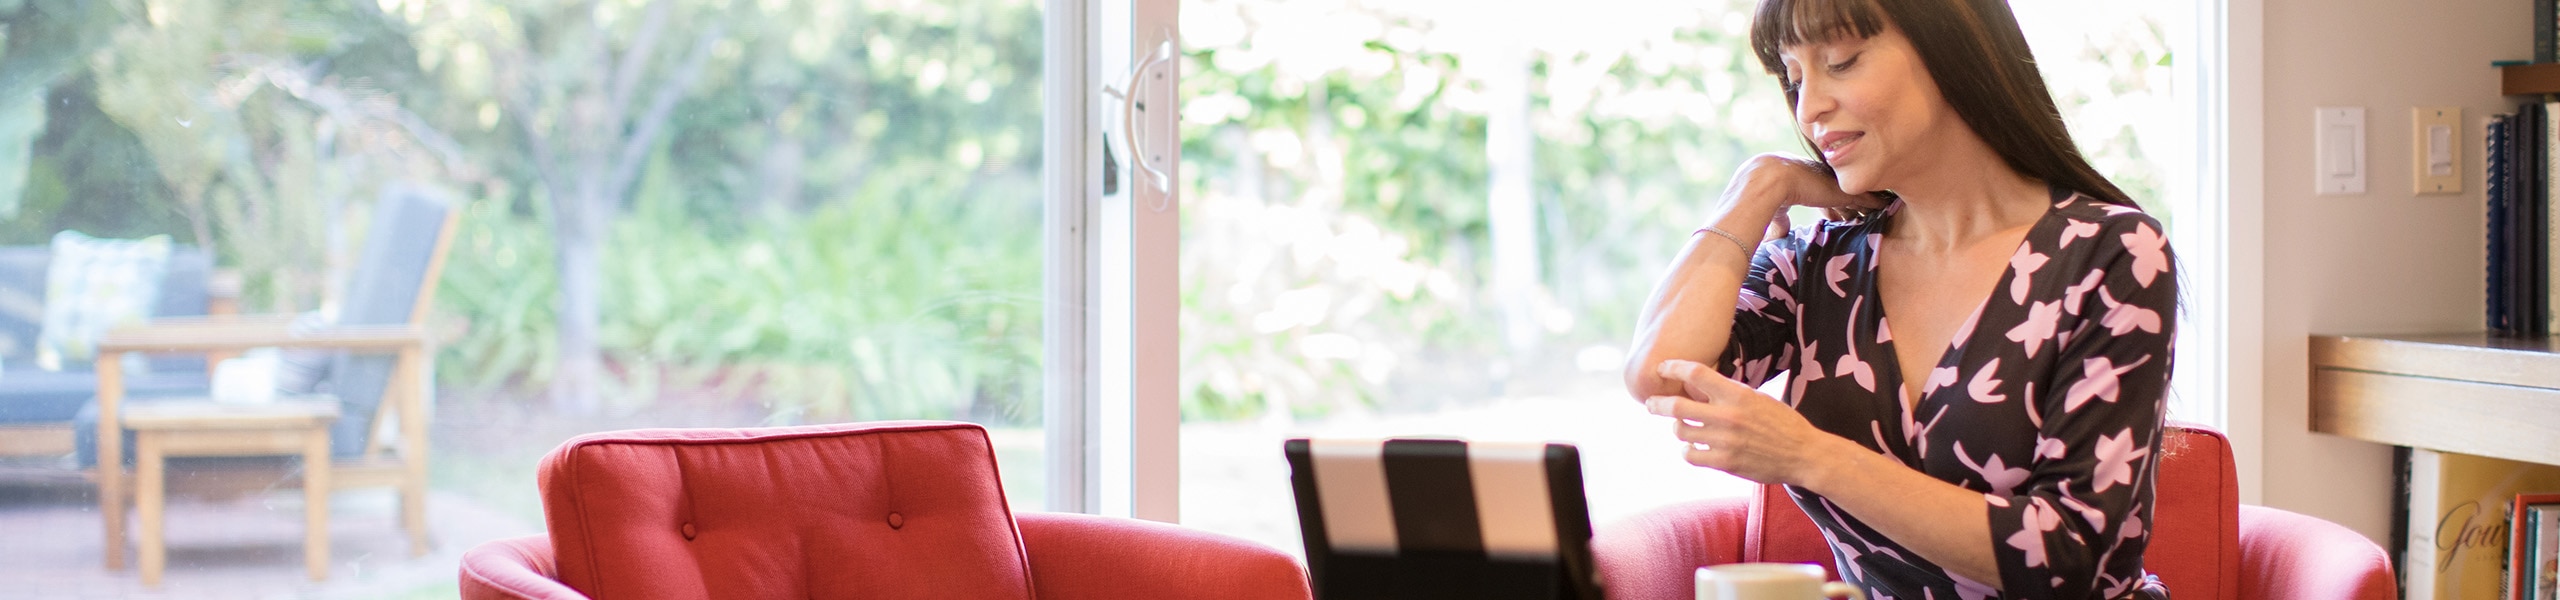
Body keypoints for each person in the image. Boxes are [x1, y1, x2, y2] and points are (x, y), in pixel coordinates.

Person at [1620, 0, 2177, 598]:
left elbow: (2073, 557)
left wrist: (1810, 456)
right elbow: (1665, 377)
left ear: (1952, 50)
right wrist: (1756, 187)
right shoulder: (1820, 263)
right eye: (1795, 77)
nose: (1809, 110)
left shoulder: (2110, 252)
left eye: (1841, 61)